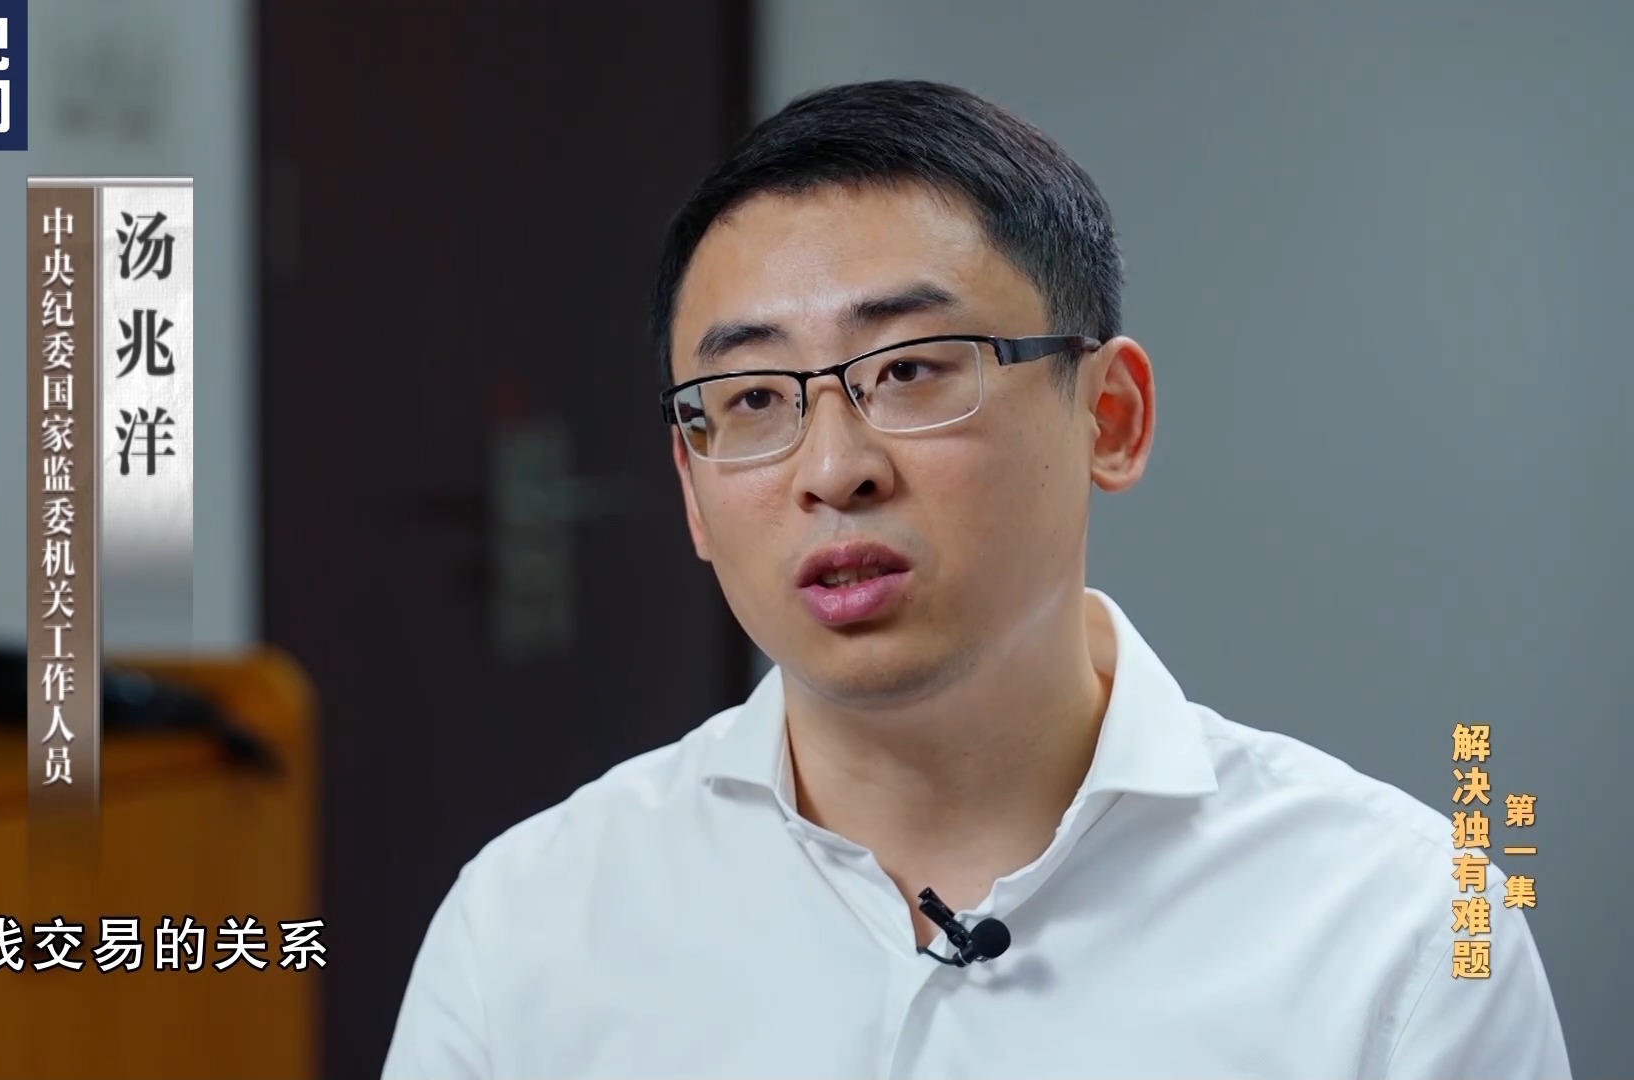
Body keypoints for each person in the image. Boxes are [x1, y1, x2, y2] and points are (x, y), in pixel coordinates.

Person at [380, 79, 1569, 1079]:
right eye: (750, 400)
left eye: (911, 370)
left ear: (1110, 415)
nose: (833, 470)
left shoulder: (1406, 932)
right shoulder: (528, 926)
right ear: (692, 489)